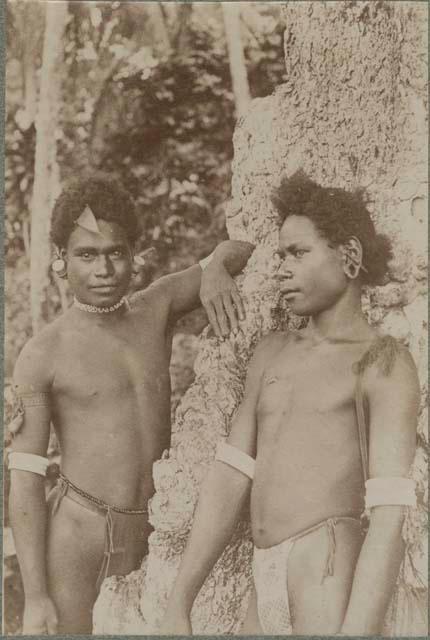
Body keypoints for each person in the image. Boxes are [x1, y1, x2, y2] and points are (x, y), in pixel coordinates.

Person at [161, 170, 420, 636]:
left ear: (351, 256)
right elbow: (230, 474)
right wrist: (180, 600)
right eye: (281, 254)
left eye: (298, 253)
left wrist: (356, 632)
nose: (282, 267)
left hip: (323, 566)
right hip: (266, 575)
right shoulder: (271, 352)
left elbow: (389, 513)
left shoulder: (383, 362)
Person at [8, 173, 254, 635]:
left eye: (114, 253)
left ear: (132, 257)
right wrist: (36, 596)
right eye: (86, 255)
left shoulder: (155, 306)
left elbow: (240, 250)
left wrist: (218, 264)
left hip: (154, 528)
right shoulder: (42, 354)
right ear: (60, 260)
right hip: (79, 537)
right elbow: (24, 480)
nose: (103, 270)